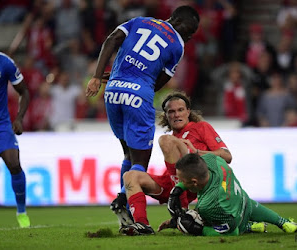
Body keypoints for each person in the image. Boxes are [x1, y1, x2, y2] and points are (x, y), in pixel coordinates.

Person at [85, 6, 200, 217]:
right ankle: (123, 199)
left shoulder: (139, 21)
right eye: (190, 31)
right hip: (138, 96)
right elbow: (159, 83)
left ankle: (125, 208)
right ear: (179, 23)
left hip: (112, 92)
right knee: (140, 161)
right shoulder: (177, 45)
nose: (189, 36)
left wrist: (96, 76)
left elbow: (111, 39)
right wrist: (140, 83)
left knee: (127, 153)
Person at [117, 92, 232, 235]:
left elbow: (227, 156)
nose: (176, 115)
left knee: (165, 140)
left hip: (198, 179)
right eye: (171, 112)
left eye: (180, 110)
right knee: (130, 176)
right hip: (172, 184)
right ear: (166, 116)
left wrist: (196, 151)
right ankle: (142, 225)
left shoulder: (201, 127)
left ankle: (181, 208)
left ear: (188, 112)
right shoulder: (172, 138)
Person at [167, 153, 297, 236]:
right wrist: (179, 189)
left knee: (228, 228)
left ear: (194, 182)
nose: (179, 183)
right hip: (244, 200)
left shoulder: (208, 205)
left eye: (182, 181)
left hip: (234, 220)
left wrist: (199, 230)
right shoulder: (213, 160)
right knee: (249, 205)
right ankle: (284, 223)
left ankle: (247, 227)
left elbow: (227, 231)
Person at [0, 51, 30, 227]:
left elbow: (24, 91)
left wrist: (19, 118)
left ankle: (21, 211)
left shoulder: (4, 63)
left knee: (14, 164)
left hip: (1, 125)